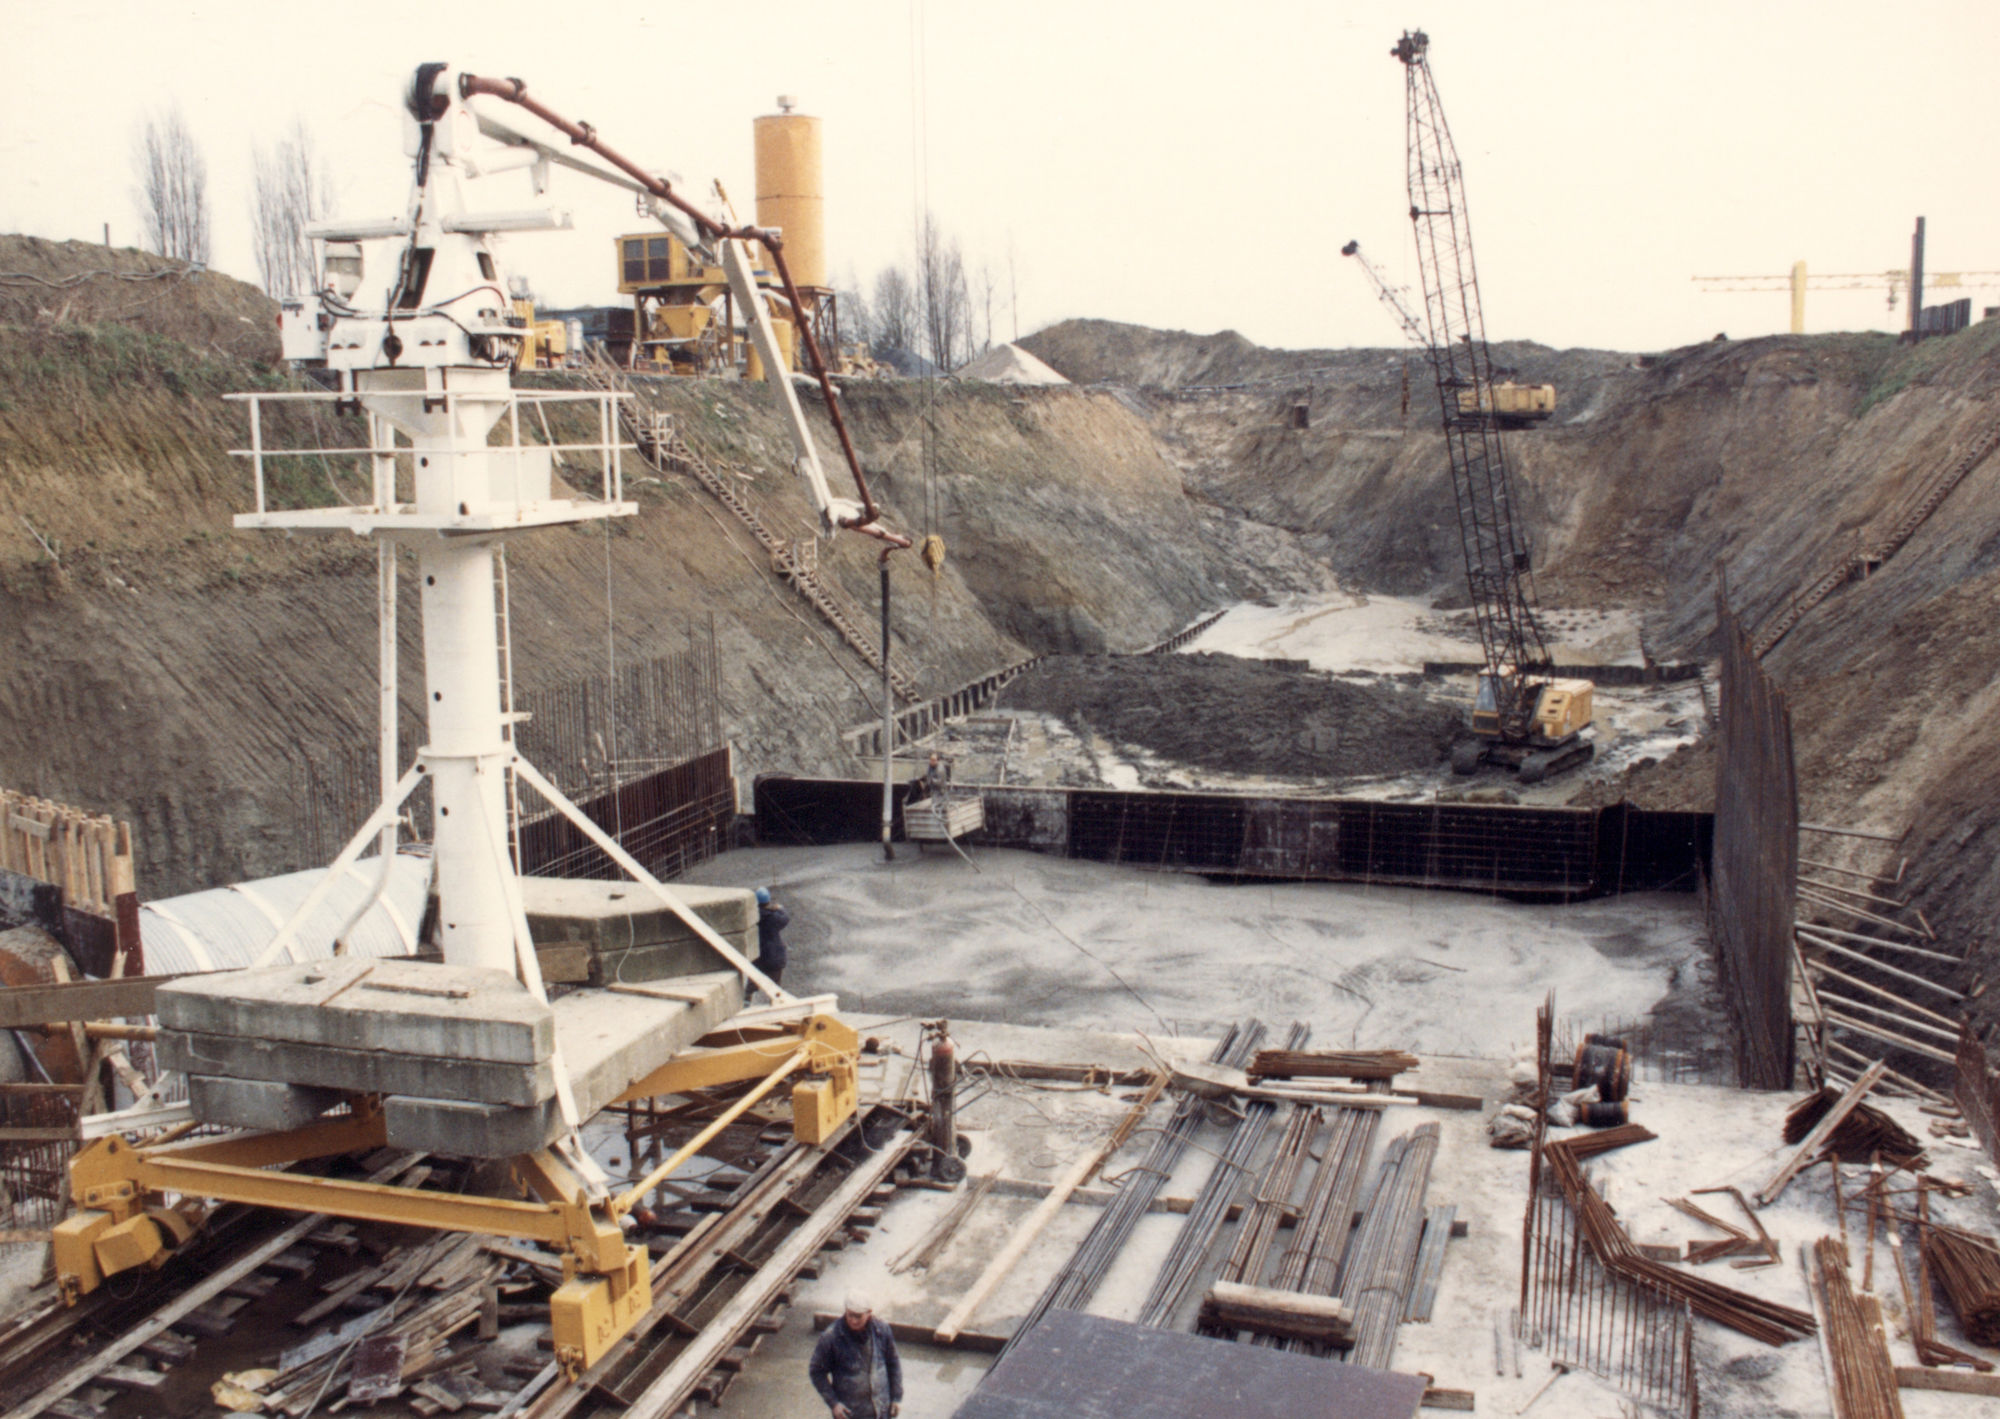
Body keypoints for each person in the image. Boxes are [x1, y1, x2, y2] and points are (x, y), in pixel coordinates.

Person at [808, 1293, 902, 1419]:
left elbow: (893, 1363)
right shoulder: (831, 1337)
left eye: (858, 1316)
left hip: (880, 1410)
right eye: (850, 1315)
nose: (853, 1320)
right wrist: (834, 1404)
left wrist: (896, 1397)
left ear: (869, 1313)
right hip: (850, 1413)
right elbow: (816, 1371)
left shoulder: (882, 1330)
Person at [754, 886, 788, 989]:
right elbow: (785, 918)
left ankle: (746, 1002)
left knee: (752, 985)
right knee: (776, 988)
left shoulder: (753, 916)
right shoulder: (773, 917)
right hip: (774, 958)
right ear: (768, 901)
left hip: (758, 958)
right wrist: (780, 909)